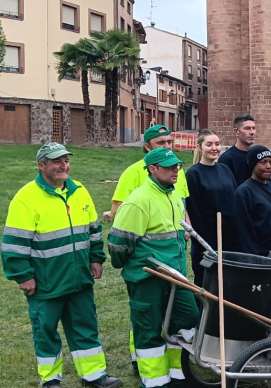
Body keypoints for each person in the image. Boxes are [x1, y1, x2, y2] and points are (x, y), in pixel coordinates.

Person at [1, 143, 121, 388]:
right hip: (46, 281)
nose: (63, 166)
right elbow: (14, 244)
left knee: (85, 326)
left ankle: (94, 375)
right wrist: (23, 275)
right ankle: (51, 380)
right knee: (45, 331)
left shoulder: (79, 191)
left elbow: (94, 230)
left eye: (65, 160)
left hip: (79, 279)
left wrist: (96, 258)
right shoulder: (26, 198)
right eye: (56, 161)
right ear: (41, 165)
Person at [107, 148, 199, 388]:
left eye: (177, 166)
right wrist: (132, 267)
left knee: (187, 319)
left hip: (176, 277)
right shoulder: (138, 200)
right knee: (149, 329)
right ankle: (155, 382)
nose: (176, 171)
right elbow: (118, 244)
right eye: (169, 167)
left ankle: (178, 375)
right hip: (147, 277)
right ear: (152, 169)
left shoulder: (173, 196)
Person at [185, 129, 238, 286]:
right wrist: (203, 245)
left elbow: (234, 200)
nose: (214, 148)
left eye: (217, 144)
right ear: (200, 147)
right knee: (207, 285)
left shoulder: (225, 169)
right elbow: (194, 211)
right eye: (209, 144)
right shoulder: (194, 174)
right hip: (207, 241)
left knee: (228, 285)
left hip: (229, 239)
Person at [233, 145, 271, 256]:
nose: (268, 166)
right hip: (260, 256)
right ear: (253, 165)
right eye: (263, 163)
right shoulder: (244, 192)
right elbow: (244, 231)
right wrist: (254, 259)